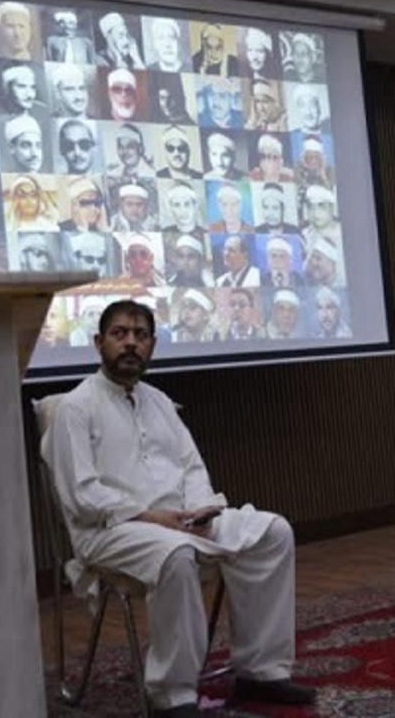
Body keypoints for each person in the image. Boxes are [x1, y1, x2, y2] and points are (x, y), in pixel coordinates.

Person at [48, 300, 314, 715]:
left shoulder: (159, 402)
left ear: (153, 345)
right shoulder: (75, 408)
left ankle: (261, 671)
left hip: (180, 522)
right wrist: (153, 518)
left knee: (273, 532)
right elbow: (83, 495)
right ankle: (173, 695)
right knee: (176, 555)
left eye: (140, 335)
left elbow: (191, 468)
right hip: (112, 531)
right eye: (120, 334)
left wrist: (201, 511)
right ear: (99, 343)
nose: (131, 343)